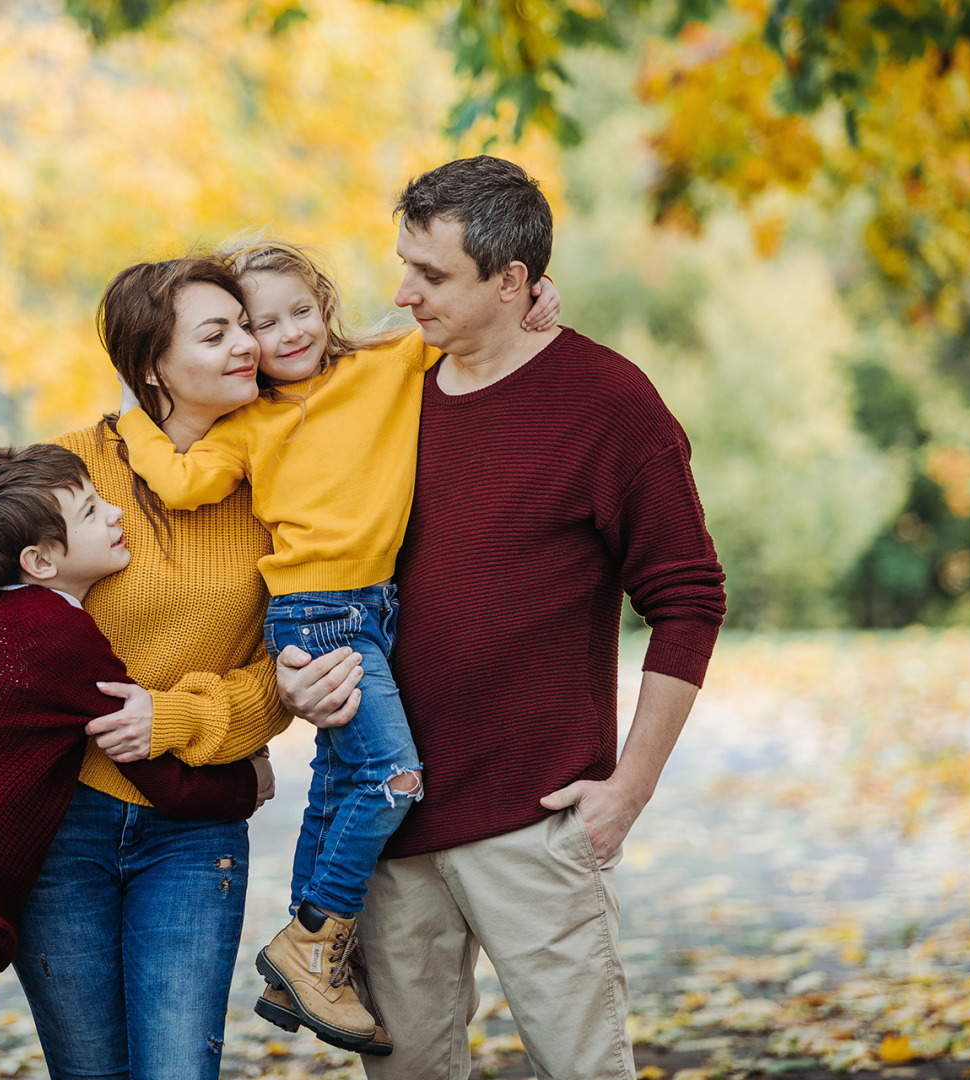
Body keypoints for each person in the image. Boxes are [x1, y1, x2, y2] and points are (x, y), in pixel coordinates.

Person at [275, 156, 729, 1080]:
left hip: (537, 827)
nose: (402, 294)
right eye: (402, 264)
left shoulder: (608, 402)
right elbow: (301, 558)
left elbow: (687, 598)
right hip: (390, 833)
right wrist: (290, 673)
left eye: (431, 275)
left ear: (514, 282)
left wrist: (628, 790)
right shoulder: (385, 392)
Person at [113, 239, 560, 1054]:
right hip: (315, 616)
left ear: (326, 308)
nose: (283, 334)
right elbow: (179, 481)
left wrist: (534, 302)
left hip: (378, 608)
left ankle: (304, 956)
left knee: (338, 779)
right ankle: (316, 937)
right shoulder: (249, 424)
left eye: (299, 312)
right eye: (258, 323)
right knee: (394, 779)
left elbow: (468, 323)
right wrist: (128, 425)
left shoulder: (385, 366)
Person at [0, 257, 292, 1080]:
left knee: (177, 1070)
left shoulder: (284, 477)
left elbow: (288, 667)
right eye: (219, 331)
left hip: (194, 830)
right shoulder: (67, 478)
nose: (249, 343)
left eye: (246, 325)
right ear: (152, 365)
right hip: (65, 827)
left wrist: (185, 720)